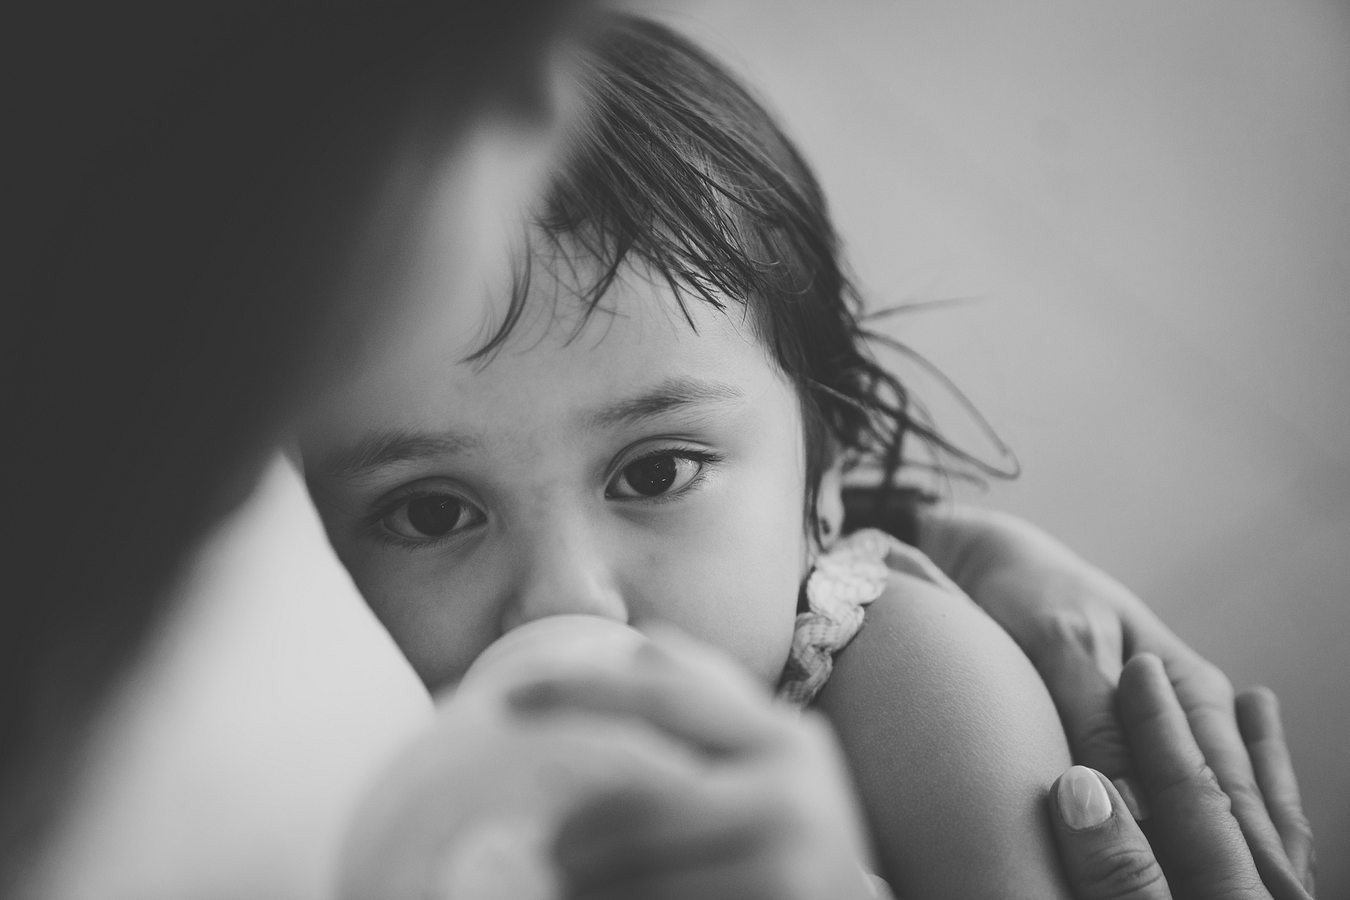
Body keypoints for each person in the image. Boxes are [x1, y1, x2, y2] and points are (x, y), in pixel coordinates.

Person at [5, 2, 1311, 897]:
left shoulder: (914, 686)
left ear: (826, 478)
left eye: (654, 473)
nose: (567, 597)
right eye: (429, 511)